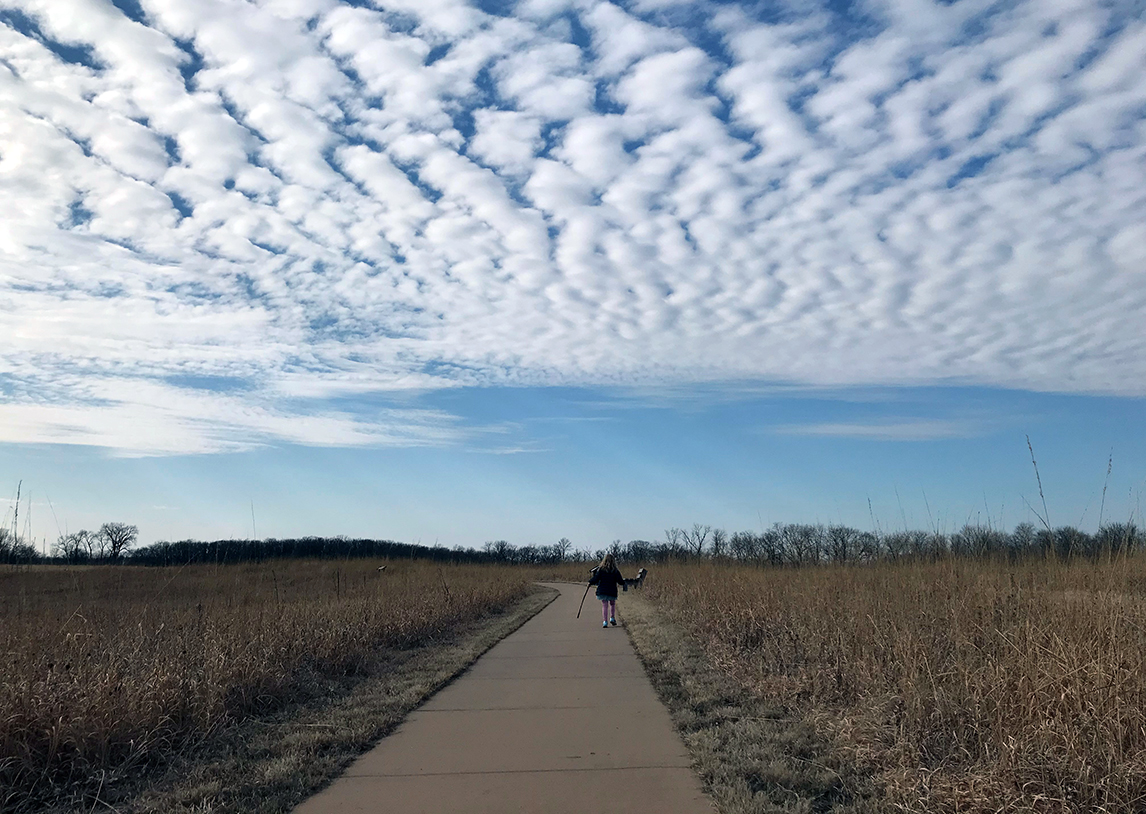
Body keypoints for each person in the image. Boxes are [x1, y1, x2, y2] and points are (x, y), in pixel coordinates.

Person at [588, 553, 627, 628]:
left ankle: (605, 621)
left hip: (603, 590)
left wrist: (590, 582)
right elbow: (620, 581)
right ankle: (612, 618)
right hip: (612, 590)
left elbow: (596, 578)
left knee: (604, 605)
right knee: (612, 604)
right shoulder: (615, 571)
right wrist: (623, 583)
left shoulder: (601, 570)